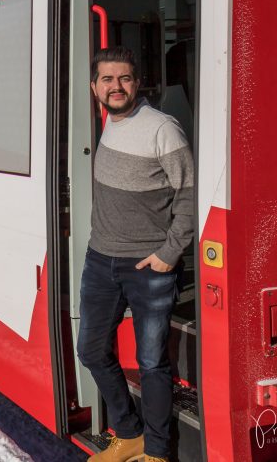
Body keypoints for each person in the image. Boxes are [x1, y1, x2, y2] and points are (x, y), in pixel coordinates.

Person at [78, 46, 193, 462]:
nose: (116, 87)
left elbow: (190, 196)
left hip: (149, 267)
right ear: (95, 87)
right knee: (90, 350)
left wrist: (169, 251)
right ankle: (129, 433)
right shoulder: (109, 121)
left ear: (137, 82)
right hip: (100, 260)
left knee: (151, 364)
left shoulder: (162, 127)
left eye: (124, 78)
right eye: (107, 79)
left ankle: (158, 452)